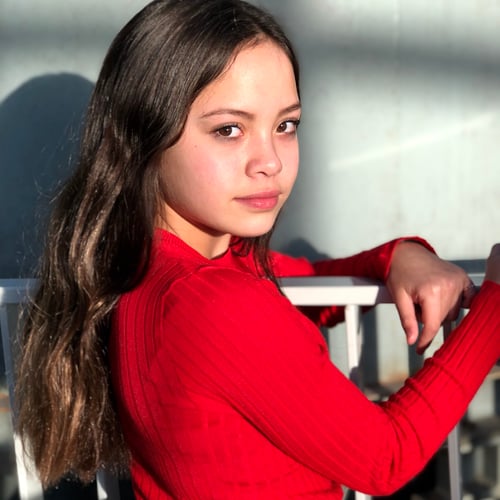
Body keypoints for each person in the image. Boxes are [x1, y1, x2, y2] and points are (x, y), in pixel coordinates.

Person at [14, 0, 500, 498]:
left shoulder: (151, 266)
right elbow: (387, 457)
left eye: (286, 125)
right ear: (144, 138)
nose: (269, 161)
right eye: (229, 129)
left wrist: (398, 255)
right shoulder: (212, 302)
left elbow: (305, 282)